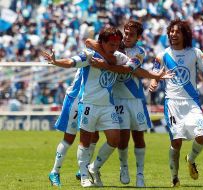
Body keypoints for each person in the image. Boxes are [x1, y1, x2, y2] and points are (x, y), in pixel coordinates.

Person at [42, 26, 171, 187]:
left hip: (107, 105)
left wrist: (155, 76)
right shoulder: (90, 55)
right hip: (84, 102)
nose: (115, 46)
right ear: (102, 42)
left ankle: (92, 167)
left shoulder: (120, 56)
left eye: (117, 44)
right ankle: (73, 173)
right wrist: (56, 61)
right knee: (77, 139)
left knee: (112, 139)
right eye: (111, 44)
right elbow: (72, 61)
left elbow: (134, 70)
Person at [84, 20, 175, 187]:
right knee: (122, 139)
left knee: (139, 137)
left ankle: (140, 174)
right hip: (117, 99)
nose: (127, 36)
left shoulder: (140, 52)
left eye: (131, 34)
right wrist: (106, 55)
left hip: (136, 99)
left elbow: (128, 69)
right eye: (125, 32)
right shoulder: (114, 45)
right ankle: (123, 167)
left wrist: (105, 64)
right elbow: (89, 42)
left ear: (138, 37)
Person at [149, 19, 203, 187]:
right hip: (173, 103)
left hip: (192, 102)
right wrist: (154, 82)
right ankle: (174, 177)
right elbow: (154, 76)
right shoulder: (162, 56)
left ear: (184, 34)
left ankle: (190, 159)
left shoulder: (195, 53)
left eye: (177, 32)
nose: (173, 34)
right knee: (176, 142)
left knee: (202, 136)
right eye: (171, 31)